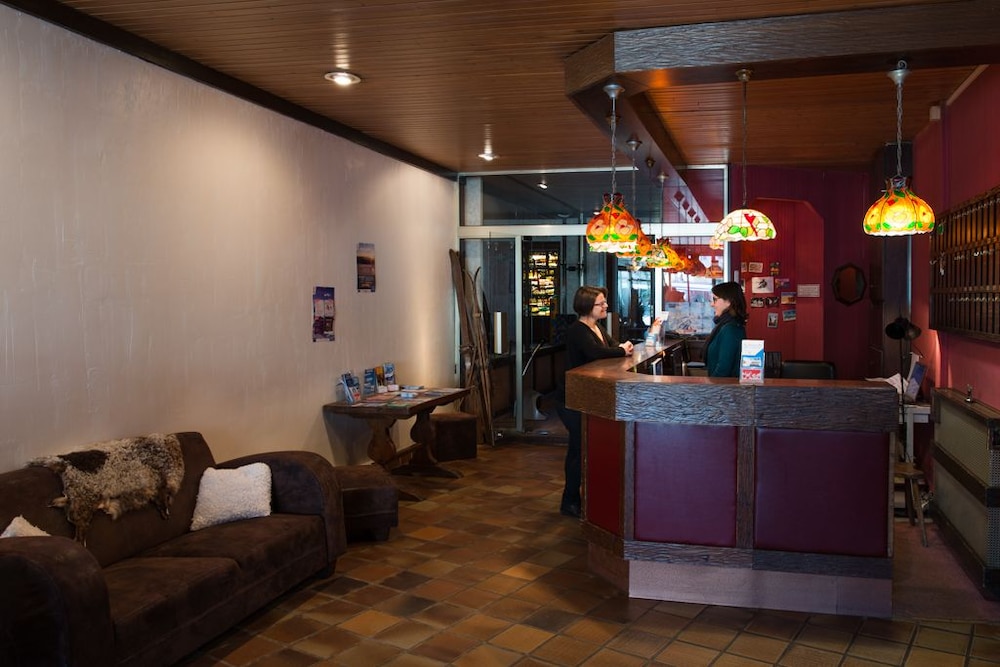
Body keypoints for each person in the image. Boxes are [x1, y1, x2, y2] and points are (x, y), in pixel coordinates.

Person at [555, 286, 634, 518]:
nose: (606, 306)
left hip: (587, 396)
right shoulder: (578, 330)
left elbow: (610, 347)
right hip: (571, 397)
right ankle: (570, 501)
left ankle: (578, 499)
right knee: (578, 448)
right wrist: (621, 350)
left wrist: (621, 348)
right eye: (601, 303)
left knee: (582, 447)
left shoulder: (596, 327)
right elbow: (596, 353)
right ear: (588, 305)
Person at [704, 281, 748, 377]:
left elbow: (723, 370)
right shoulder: (728, 325)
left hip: (722, 386)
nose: (712, 304)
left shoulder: (730, 329)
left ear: (728, 302)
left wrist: (711, 385)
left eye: (715, 299)